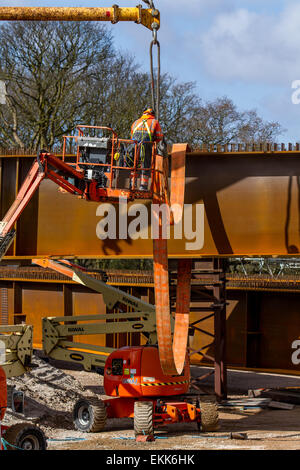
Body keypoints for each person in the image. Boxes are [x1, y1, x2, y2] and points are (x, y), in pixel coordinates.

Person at [131, 107, 163, 191]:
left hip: (134, 145)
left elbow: (131, 135)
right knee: (145, 164)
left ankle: (132, 184)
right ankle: (143, 186)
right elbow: (159, 136)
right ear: (152, 114)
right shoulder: (154, 122)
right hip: (147, 145)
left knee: (134, 164)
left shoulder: (136, 122)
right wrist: (154, 141)